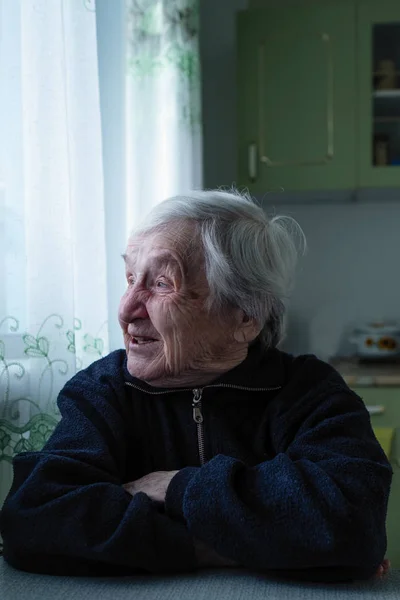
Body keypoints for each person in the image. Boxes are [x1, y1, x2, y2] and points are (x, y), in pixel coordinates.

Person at [0, 190, 392, 581]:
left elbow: (353, 523)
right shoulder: (103, 390)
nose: (126, 309)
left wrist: (176, 488)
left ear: (245, 317)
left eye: (162, 285)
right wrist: (214, 545)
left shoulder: (310, 392)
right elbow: (33, 518)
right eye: (131, 278)